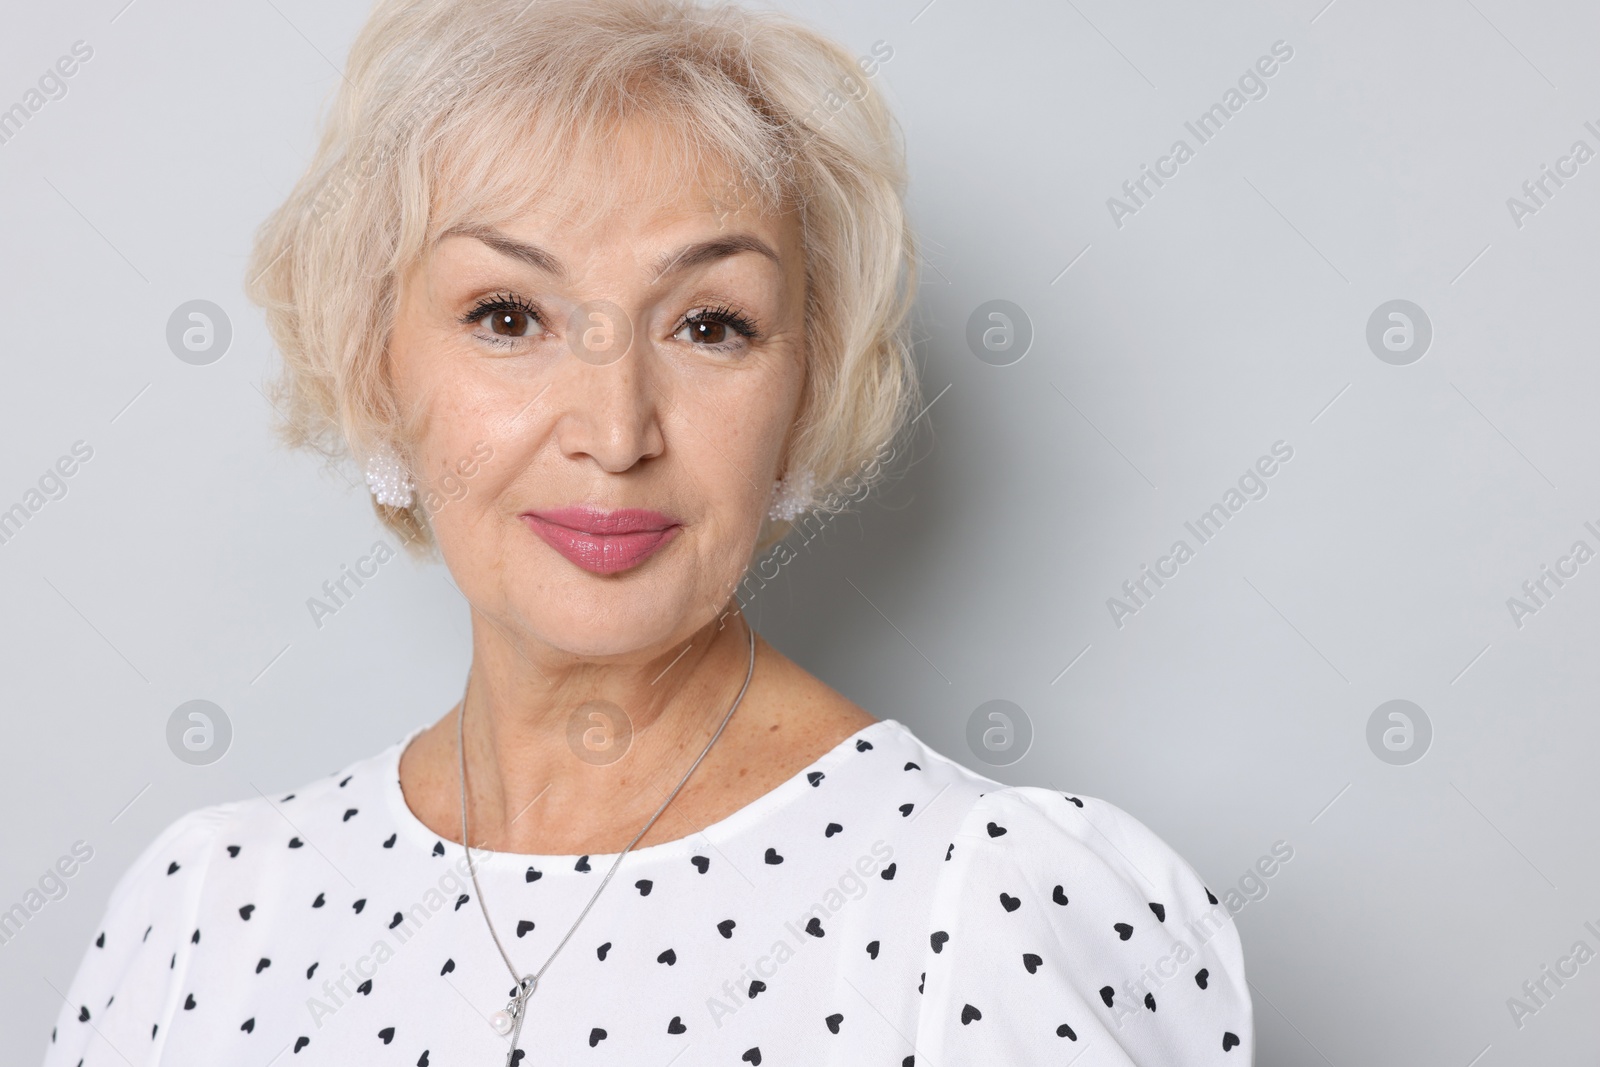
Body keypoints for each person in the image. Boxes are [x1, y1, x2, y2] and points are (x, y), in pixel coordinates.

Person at [43, 0, 1251, 1063]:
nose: (616, 431)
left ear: (805, 392)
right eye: (508, 313)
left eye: (711, 324)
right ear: (374, 370)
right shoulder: (209, 910)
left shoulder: (987, 903)